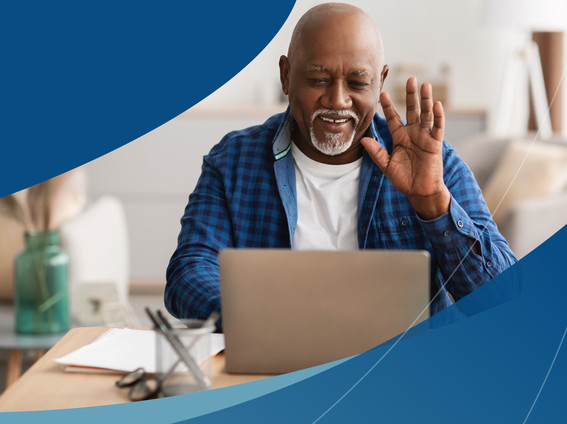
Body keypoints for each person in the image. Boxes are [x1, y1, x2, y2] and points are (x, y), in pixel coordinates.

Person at [165, 3, 517, 328]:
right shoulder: (233, 161)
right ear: (286, 76)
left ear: (380, 81)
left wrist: (433, 203)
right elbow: (189, 273)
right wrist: (259, 321)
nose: (337, 100)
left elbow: (502, 298)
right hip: (275, 373)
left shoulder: (433, 164)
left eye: (357, 83)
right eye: (318, 80)